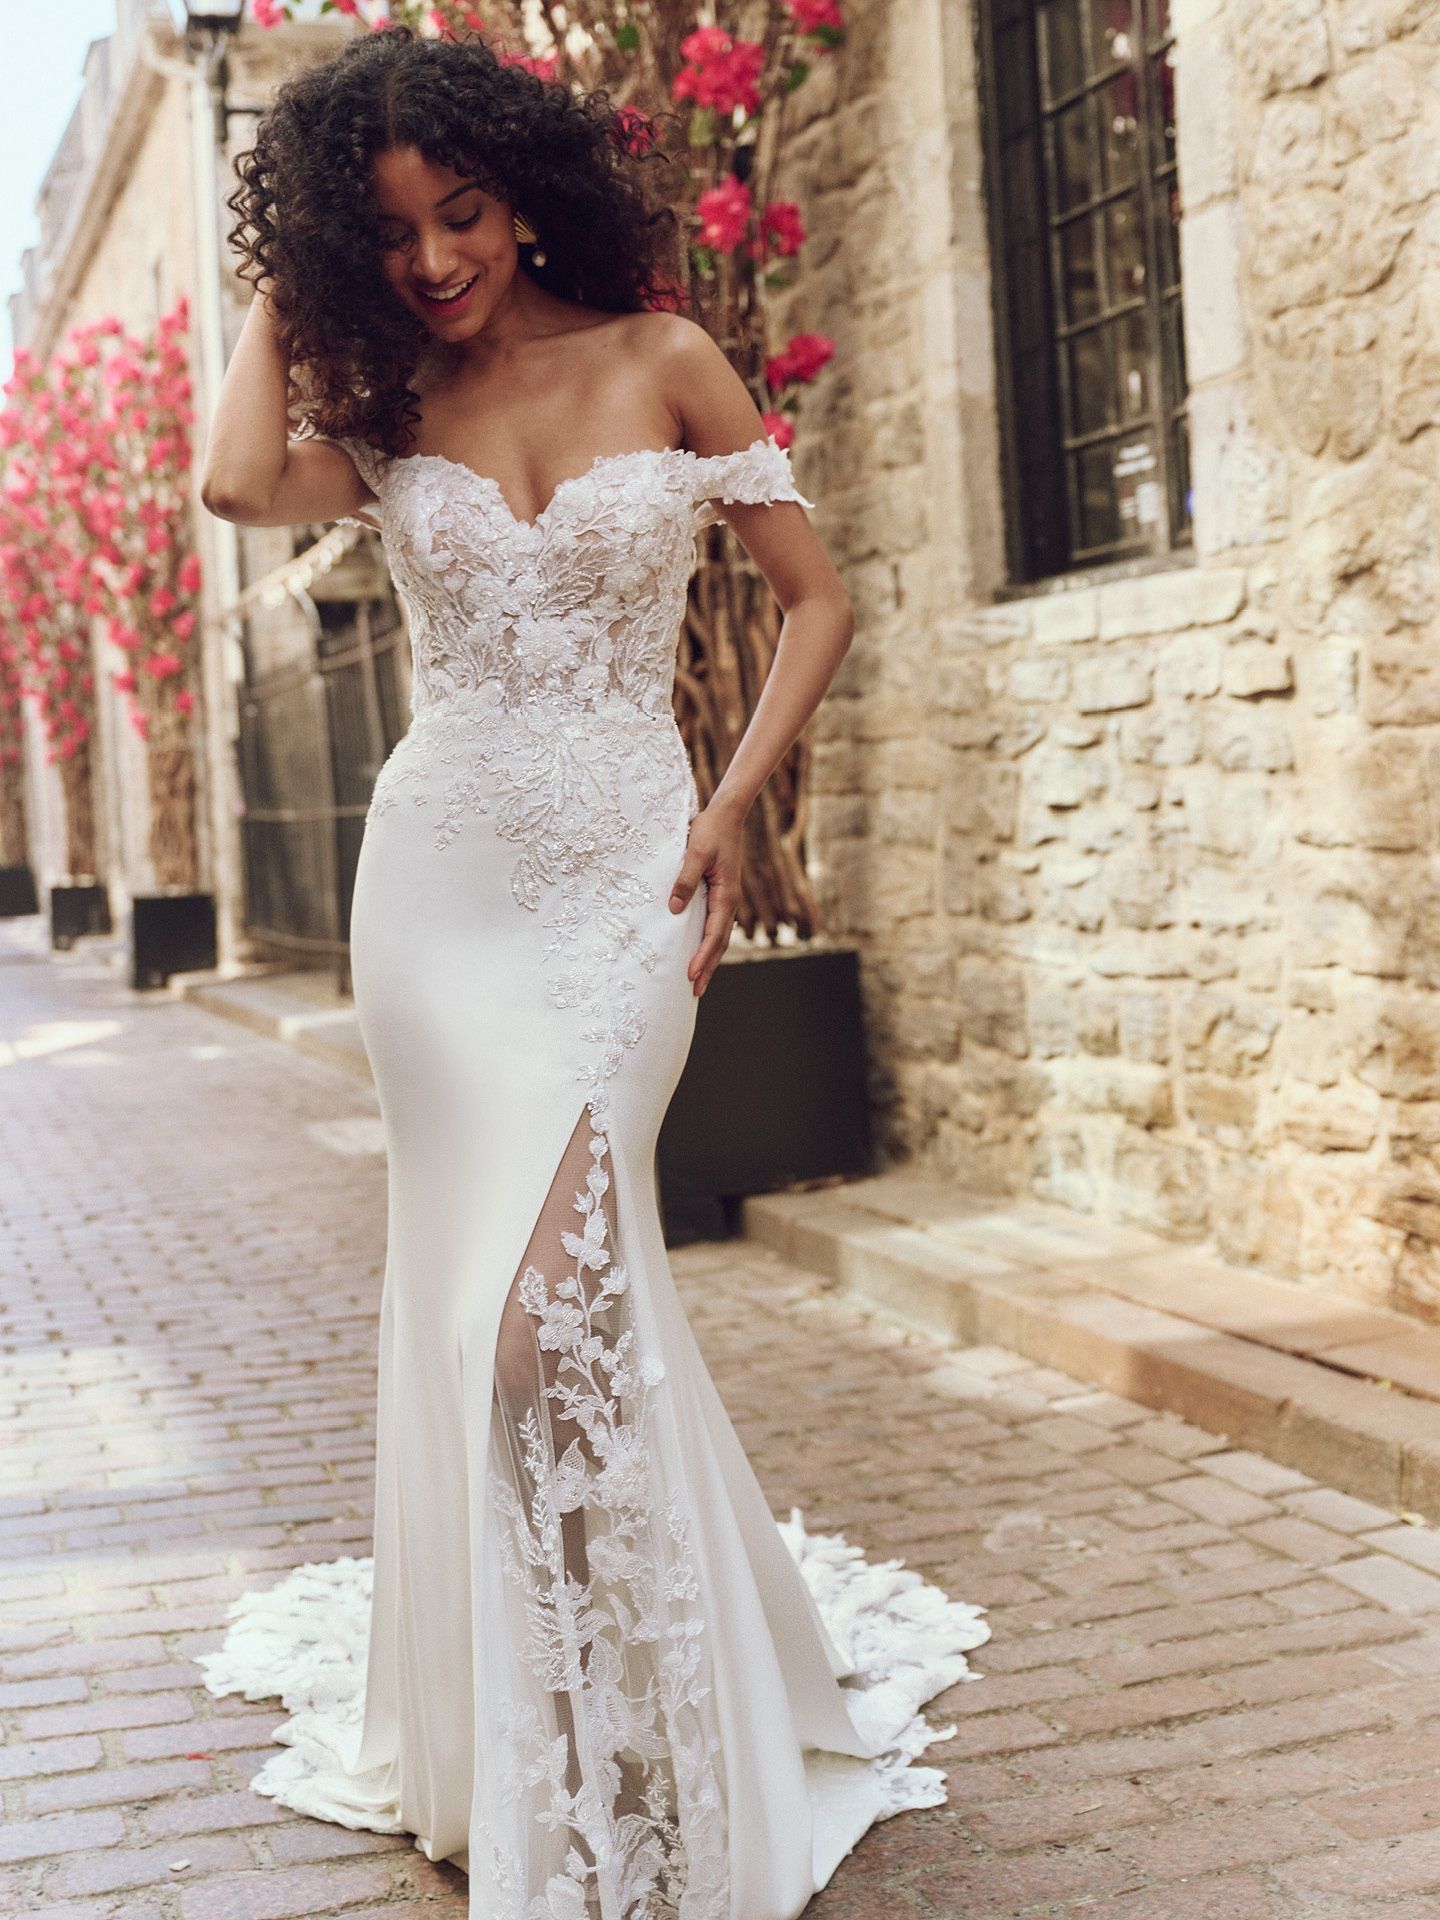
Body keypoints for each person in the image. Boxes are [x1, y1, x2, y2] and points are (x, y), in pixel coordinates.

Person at [195, 26, 989, 1920]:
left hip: (633, 874)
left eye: (454, 211)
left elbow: (819, 593)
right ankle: (552, 1720)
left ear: (521, 184)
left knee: (562, 1309)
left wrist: (731, 804)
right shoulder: (379, 411)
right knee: (492, 1324)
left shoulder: (664, 355)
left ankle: (645, 1716)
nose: (432, 260)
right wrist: (272, 281)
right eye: (378, 235)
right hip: (440, 888)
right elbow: (235, 483)